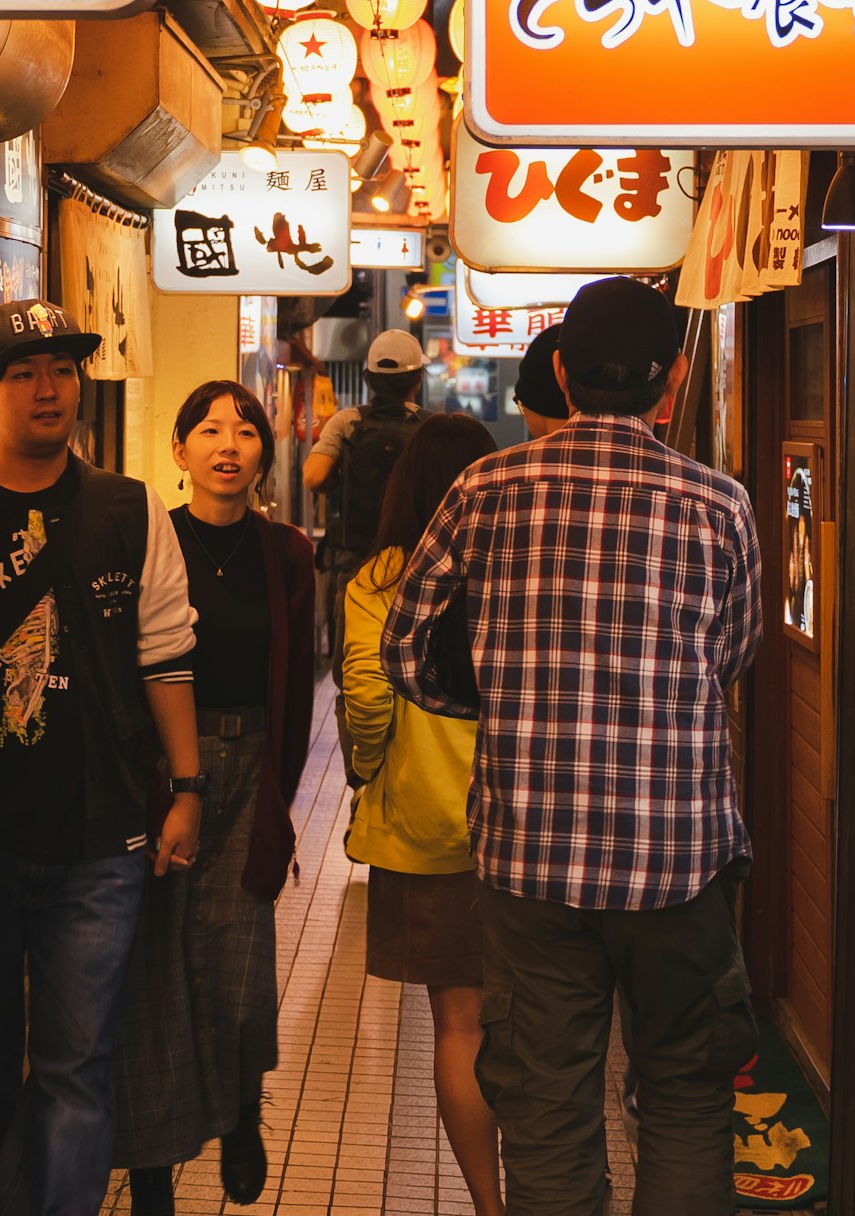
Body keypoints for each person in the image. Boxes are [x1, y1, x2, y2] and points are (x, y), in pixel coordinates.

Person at [387, 276, 759, 1216]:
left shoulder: (486, 489)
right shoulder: (719, 504)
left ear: (560, 370)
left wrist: (496, 700)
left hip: (530, 862)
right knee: (683, 1096)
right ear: (671, 382)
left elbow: (407, 648)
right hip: (680, 865)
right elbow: (735, 653)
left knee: (547, 1109)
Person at [0, 302, 207, 1216]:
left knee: (78, 1059)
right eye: (22, 373)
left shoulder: (129, 509)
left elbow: (166, 657)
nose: (48, 388)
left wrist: (185, 788)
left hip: (103, 839)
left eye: (61, 368)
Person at [114, 381, 317, 1214]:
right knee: (155, 968)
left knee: (238, 966)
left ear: (264, 454)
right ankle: (154, 1172)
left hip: (251, 763)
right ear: (179, 450)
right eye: (208, 430)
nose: (227, 445)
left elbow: (298, 685)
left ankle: (239, 1113)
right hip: (162, 774)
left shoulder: (288, 554)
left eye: (244, 431)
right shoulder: (146, 539)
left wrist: (280, 802)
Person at [341, 411, 507, 1216]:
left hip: (427, 832)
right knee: (547, 1020)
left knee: (460, 1026)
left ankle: (488, 1203)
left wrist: (368, 771)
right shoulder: (519, 565)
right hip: (528, 825)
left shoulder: (378, 583)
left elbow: (369, 697)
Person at [306, 327, 429, 669]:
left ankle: (355, 718)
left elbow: (313, 477)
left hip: (354, 561)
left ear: (369, 380)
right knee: (409, 662)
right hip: (413, 564)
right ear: (417, 379)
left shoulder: (348, 423)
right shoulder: (430, 428)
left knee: (354, 664)